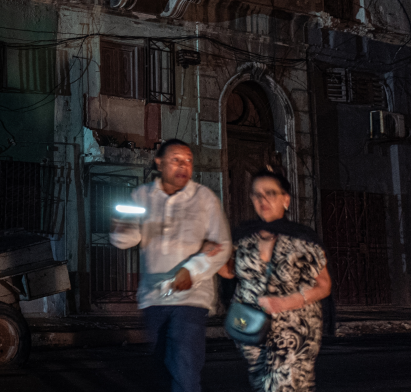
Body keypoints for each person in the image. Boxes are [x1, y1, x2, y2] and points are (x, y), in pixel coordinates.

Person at [111, 139, 232, 392]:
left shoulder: (204, 198)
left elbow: (221, 244)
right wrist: (120, 227)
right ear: (160, 162)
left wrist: (192, 270)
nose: (183, 166)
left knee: (184, 365)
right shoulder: (142, 195)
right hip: (154, 296)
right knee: (162, 367)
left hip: (191, 297)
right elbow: (126, 239)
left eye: (188, 160)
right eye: (176, 159)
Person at [217, 169, 332, 392]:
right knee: (262, 386)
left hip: (293, 330)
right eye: (257, 194)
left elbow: (324, 285)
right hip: (250, 327)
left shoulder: (302, 238)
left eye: (270, 193)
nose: (263, 200)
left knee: (285, 387)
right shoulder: (245, 235)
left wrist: (284, 303)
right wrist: (211, 253)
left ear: (285, 199)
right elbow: (230, 272)